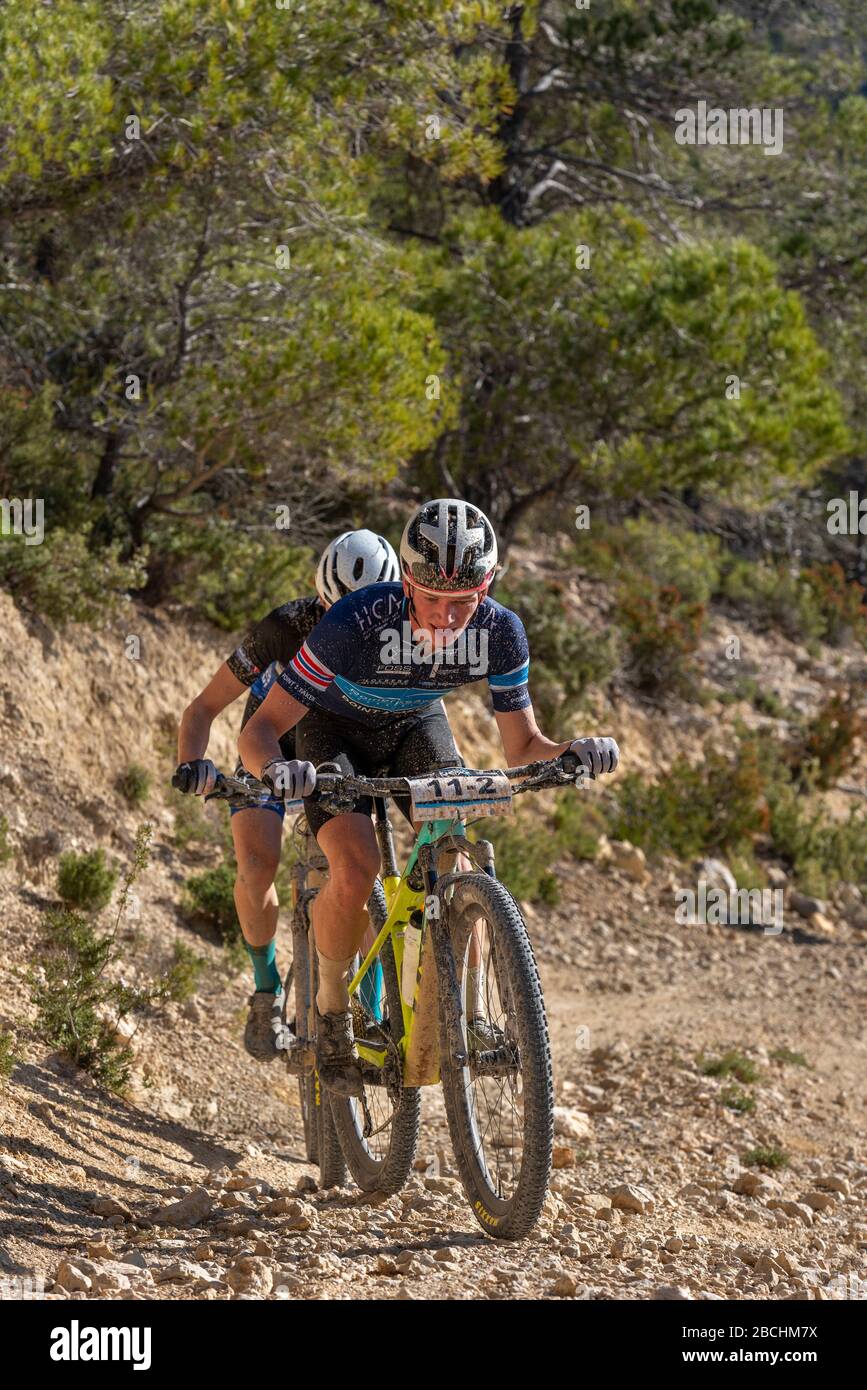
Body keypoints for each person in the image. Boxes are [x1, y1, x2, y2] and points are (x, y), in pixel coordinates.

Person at [238, 498, 619, 1097]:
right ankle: (332, 1009)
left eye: (462, 603)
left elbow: (523, 746)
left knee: (457, 853)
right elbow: (259, 730)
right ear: (406, 582)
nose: (444, 619)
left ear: (488, 585)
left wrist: (574, 750)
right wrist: (276, 772)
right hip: (332, 734)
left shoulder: (500, 631)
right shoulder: (355, 624)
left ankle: (470, 1017)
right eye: (430, 599)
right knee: (356, 867)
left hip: (416, 728)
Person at [174, 529, 400, 1062]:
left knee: (356, 874)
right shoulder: (283, 628)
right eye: (332, 612)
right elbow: (203, 707)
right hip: (270, 744)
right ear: (317, 599)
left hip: (337, 750)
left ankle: (364, 1005)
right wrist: (191, 763)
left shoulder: (400, 634)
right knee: (256, 865)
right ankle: (264, 988)